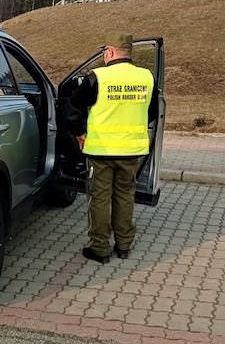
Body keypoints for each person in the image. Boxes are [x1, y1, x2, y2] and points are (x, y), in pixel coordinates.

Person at [65, 33, 158, 264]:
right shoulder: (146, 77)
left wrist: (79, 133)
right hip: (131, 151)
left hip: (101, 151)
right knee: (125, 196)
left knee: (99, 199)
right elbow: (153, 112)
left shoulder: (97, 77)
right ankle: (124, 245)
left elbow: (72, 108)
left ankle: (100, 248)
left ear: (109, 52)